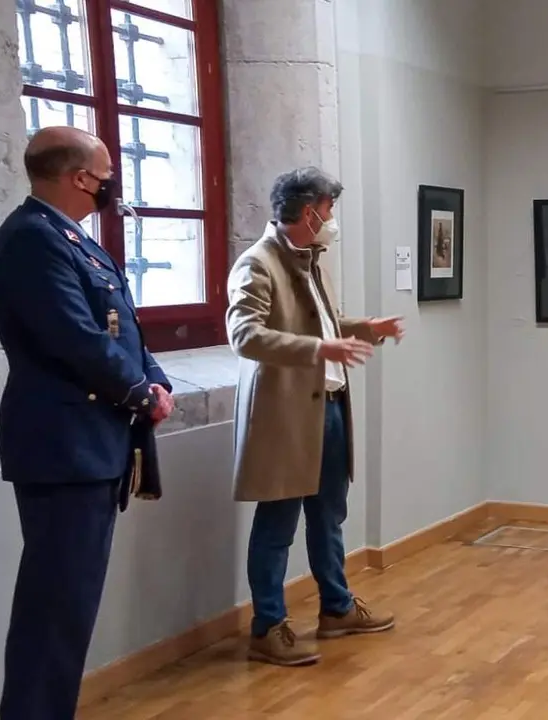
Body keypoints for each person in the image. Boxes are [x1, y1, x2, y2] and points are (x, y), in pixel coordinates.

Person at [0, 126, 175, 719]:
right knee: (54, 612)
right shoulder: (30, 240)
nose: (111, 189)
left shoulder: (75, 241)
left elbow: (122, 324)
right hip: (62, 446)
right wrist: (139, 392)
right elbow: (76, 337)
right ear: (78, 179)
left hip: (92, 444)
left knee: (69, 610)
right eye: (105, 178)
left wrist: (154, 378)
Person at [226, 167, 404, 666]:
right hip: (285, 417)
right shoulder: (257, 264)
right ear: (309, 212)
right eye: (329, 211)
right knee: (278, 523)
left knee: (329, 517)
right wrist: (318, 348)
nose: (331, 220)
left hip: (328, 409)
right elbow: (245, 337)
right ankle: (268, 626)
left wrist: (365, 328)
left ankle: (338, 609)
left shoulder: (312, 260)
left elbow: (320, 324)